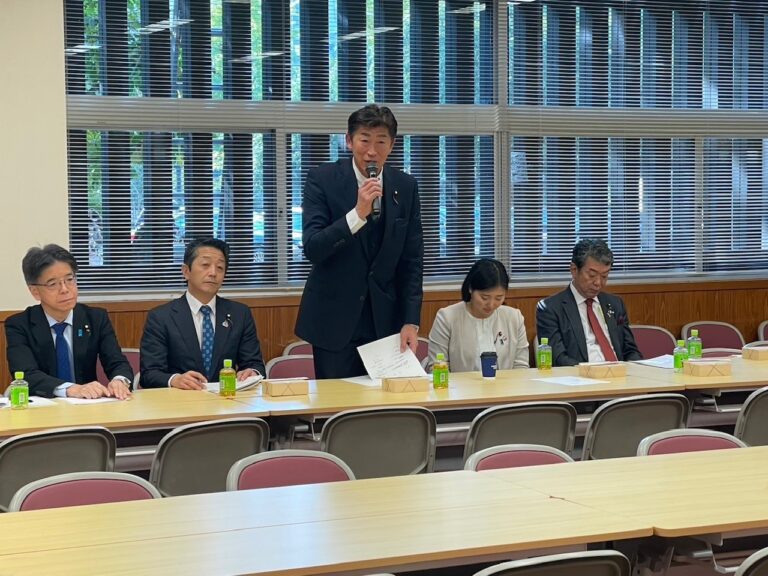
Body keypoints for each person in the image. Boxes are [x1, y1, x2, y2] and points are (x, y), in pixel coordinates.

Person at [295, 104, 424, 379]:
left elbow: (412, 260)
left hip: (385, 322)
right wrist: (357, 214)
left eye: (381, 142)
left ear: (392, 145)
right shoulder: (323, 179)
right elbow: (314, 248)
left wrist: (411, 320)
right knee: (337, 401)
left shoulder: (406, 186)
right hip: (334, 321)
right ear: (349, 141)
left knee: (384, 402)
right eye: (364, 140)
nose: (371, 151)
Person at [5, 244, 133, 399]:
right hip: (43, 406)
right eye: (53, 284)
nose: (65, 289)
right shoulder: (19, 325)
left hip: (87, 405)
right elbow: (26, 374)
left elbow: (117, 362)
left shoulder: (95, 318)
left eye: (70, 279)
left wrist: (119, 380)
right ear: (35, 292)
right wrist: (70, 389)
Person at [140, 237, 265, 389]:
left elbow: (255, 364)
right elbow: (149, 374)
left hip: (227, 399)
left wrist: (252, 372)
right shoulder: (161, 317)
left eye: (220, 267)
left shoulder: (240, 314)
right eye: (205, 265)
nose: (213, 273)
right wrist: (174, 380)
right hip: (181, 399)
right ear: (186, 272)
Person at [536, 238, 642, 366]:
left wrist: (635, 368)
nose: (598, 283)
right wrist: (592, 372)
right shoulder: (550, 309)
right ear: (574, 270)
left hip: (619, 374)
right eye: (592, 275)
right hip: (580, 375)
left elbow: (630, 350)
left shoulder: (615, 304)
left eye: (604, 276)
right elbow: (558, 359)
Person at [428, 259, 529, 372]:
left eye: (498, 298)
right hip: (460, 384)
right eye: (484, 297)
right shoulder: (447, 318)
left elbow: (521, 367)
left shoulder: (514, 318)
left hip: (506, 384)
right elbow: (436, 367)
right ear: (471, 288)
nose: (491, 304)